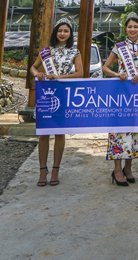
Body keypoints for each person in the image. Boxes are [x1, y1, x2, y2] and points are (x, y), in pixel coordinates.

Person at [29, 19, 84, 187]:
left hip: (63, 94)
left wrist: (59, 77)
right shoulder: (46, 52)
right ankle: (42, 171)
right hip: (46, 95)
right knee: (44, 133)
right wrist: (37, 73)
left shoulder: (75, 52)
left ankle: (55, 170)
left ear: (70, 34)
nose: (62, 33)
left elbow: (80, 73)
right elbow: (33, 67)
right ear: (55, 33)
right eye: (60, 30)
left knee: (60, 133)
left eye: (66, 31)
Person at [102, 11, 138, 188]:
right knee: (118, 129)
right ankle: (117, 169)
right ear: (126, 28)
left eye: (135, 26)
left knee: (134, 129)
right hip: (120, 92)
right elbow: (105, 67)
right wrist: (117, 73)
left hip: (137, 92)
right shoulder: (118, 47)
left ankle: (128, 168)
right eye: (129, 26)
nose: (132, 29)